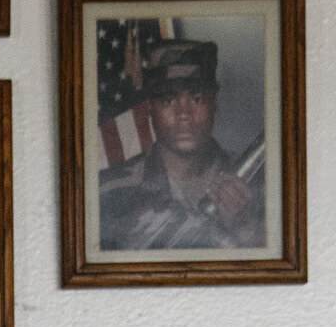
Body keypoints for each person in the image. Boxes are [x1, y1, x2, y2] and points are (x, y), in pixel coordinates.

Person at [95, 38, 267, 251]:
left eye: (196, 99)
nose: (184, 114)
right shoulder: (108, 194)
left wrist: (247, 230)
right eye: (168, 100)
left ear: (214, 103)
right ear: (150, 107)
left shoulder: (260, 189)